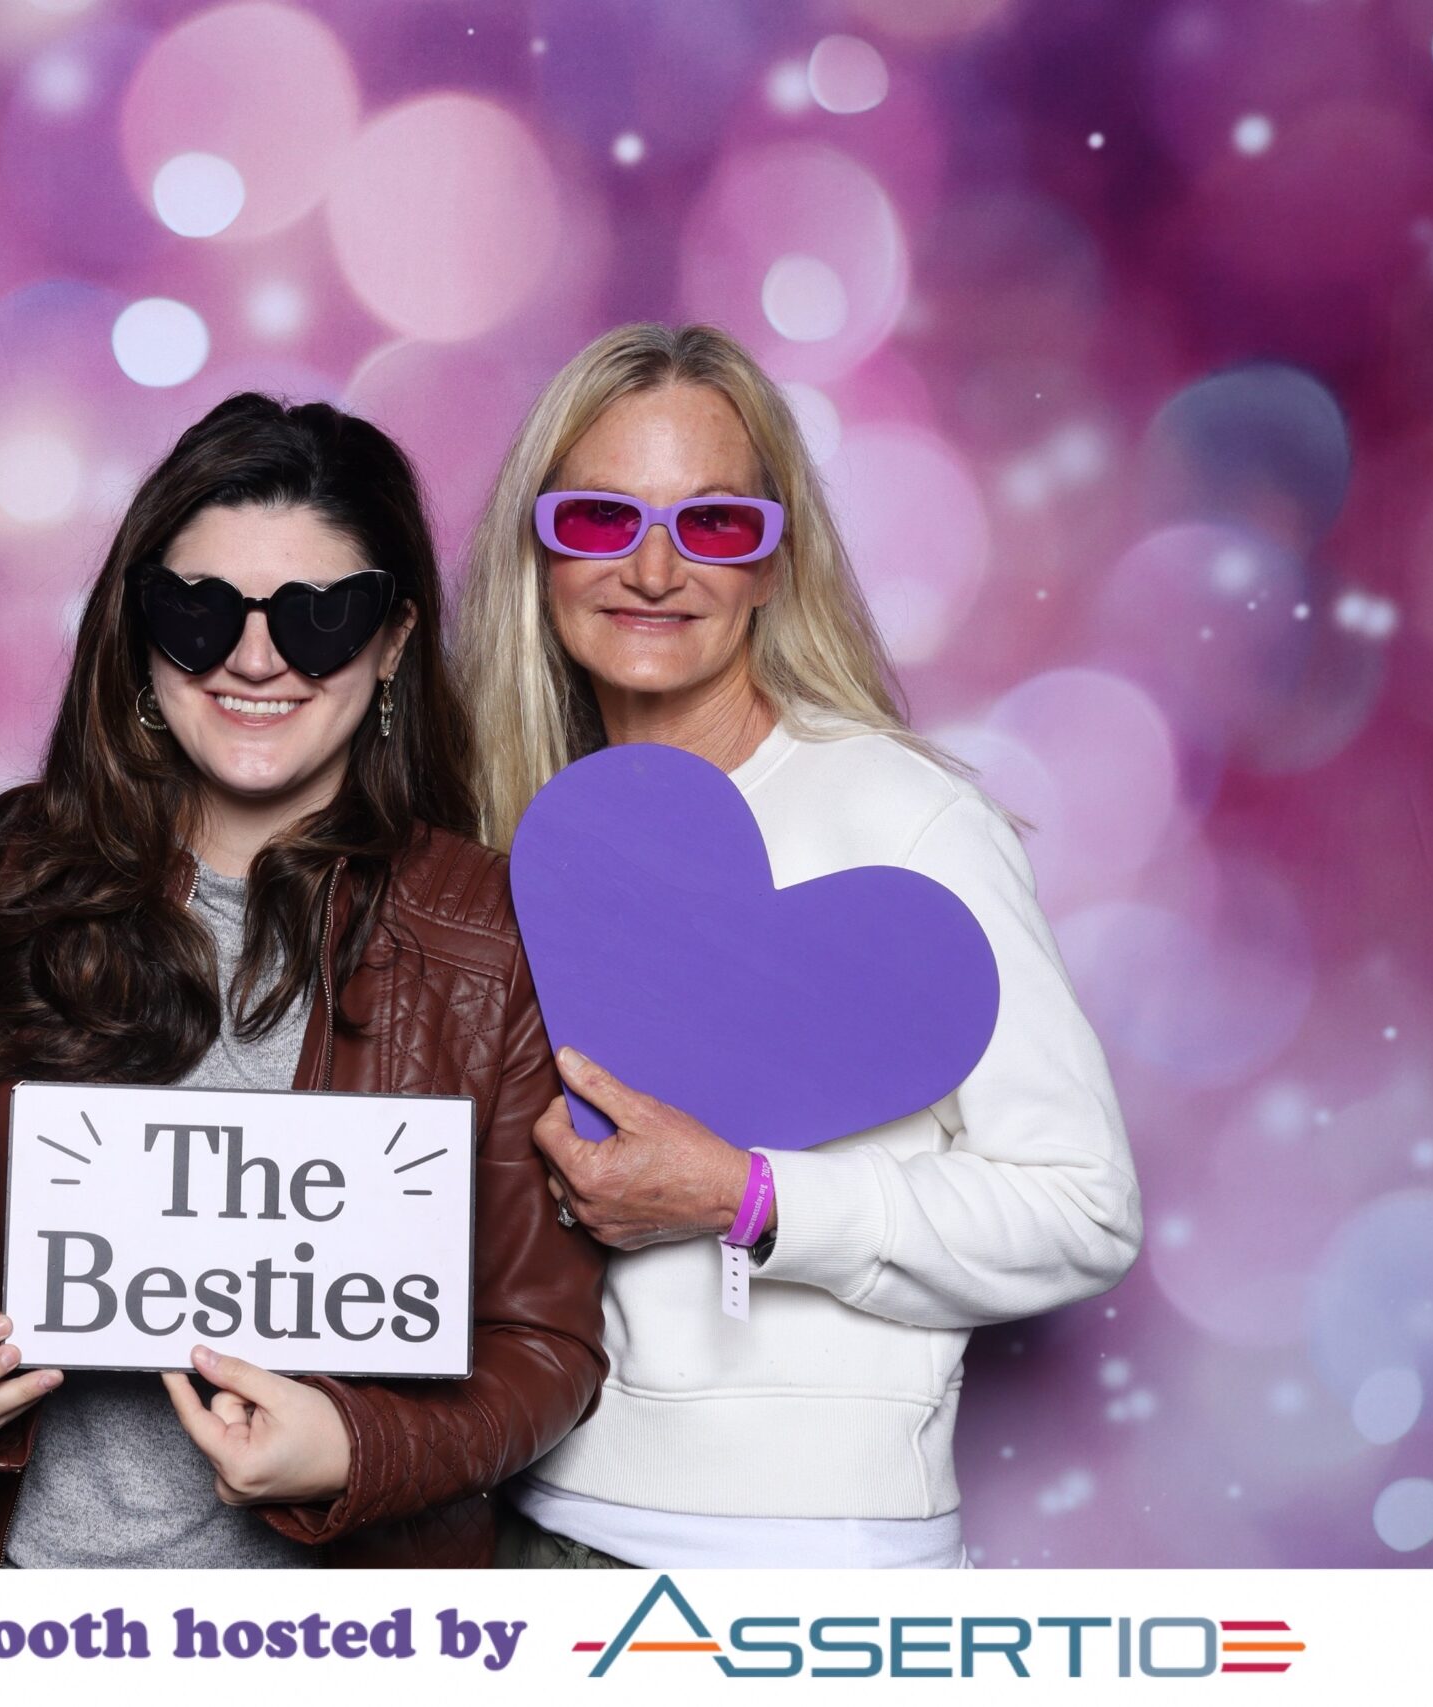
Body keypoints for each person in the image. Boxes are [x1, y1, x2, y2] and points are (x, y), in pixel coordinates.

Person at [0, 393, 606, 1568]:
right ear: (139, 629)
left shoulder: (492, 936)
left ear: (393, 643)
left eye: (318, 617)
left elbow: (546, 1348)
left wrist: (359, 1447)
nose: (254, 658)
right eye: (200, 610)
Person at [457, 322, 1142, 1569]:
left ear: (774, 562)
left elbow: (1080, 1210)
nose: (651, 570)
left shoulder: (905, 818)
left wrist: (752, 1198)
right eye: (601, 518)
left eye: (713, 524)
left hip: (817, 1562)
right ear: (539, 549)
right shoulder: (513, 836)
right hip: (537, 1534)